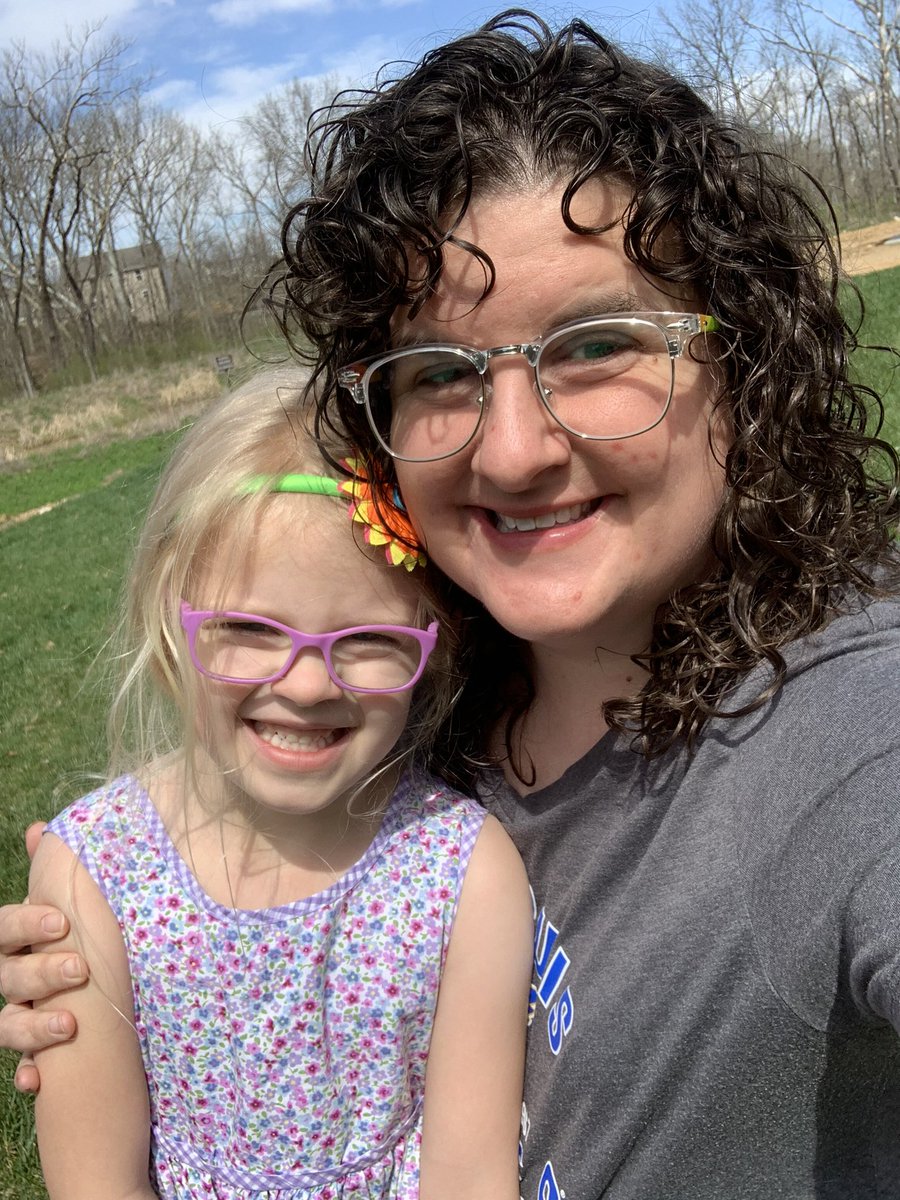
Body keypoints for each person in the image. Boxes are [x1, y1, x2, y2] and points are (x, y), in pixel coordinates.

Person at [3, 9, 900, 1198]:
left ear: (749, 360)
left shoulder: (842, 727)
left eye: (596, 343)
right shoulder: (425, 709)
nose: (516, 451)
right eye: (442, 371)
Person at [22, 368, 532, 1200]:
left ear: (431, 650)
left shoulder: (461, 873)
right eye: (250, 630)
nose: (305, 685)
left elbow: (470, 1176)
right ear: (166, 615)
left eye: (366, 638)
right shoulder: (94, 877)